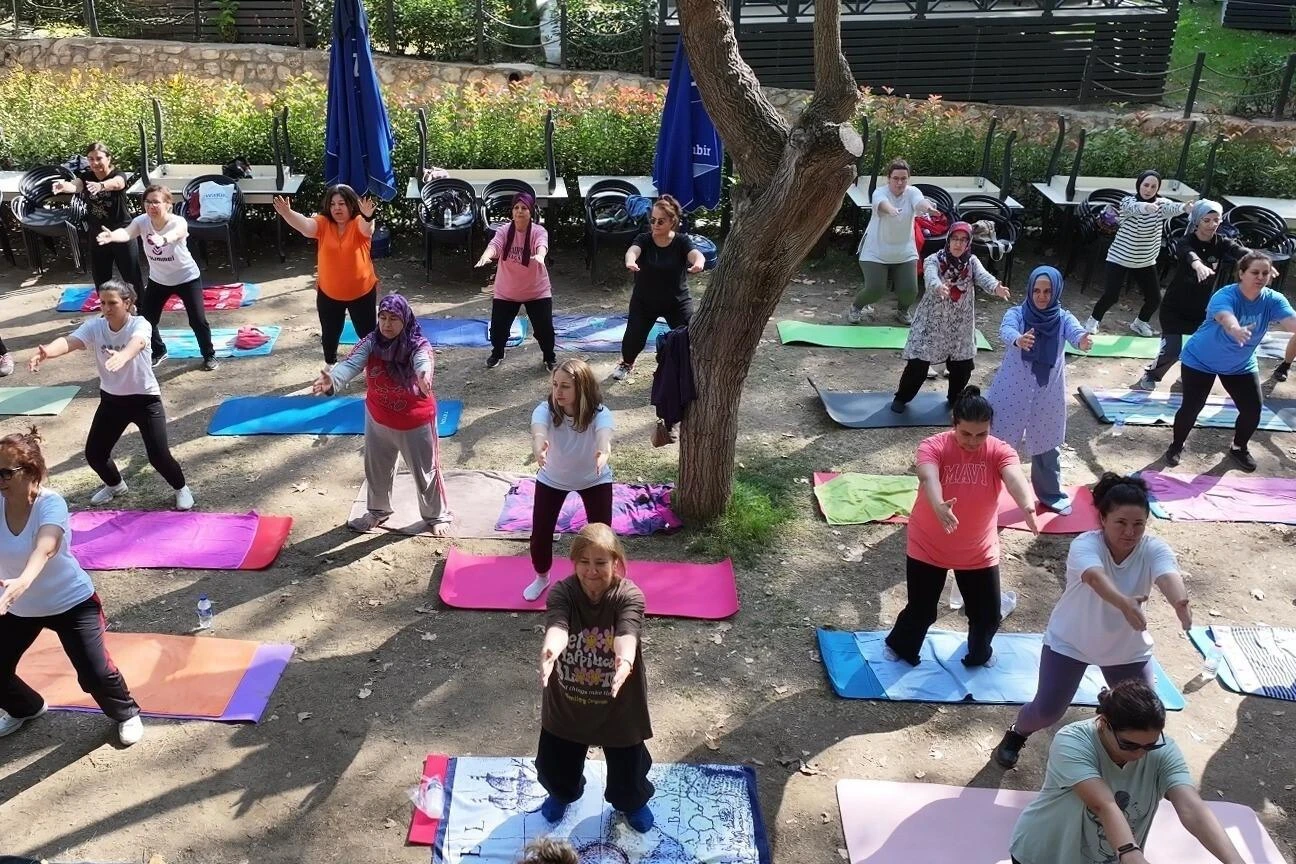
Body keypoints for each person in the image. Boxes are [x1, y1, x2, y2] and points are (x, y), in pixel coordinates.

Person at [993, 473, 1190, 769]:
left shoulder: (1153, 548)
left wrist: (1180, 602)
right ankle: (1017, 733)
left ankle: (1116, 752)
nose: (1130, 532)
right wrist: (1123, 602)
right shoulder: (1086, 545)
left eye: (1138, 524)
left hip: (1126, 649)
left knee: (1144, 715)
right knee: (1047, 711)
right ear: (1102, 519)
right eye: (1121, 523)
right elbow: (1095, 578)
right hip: (1071, 642)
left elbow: (1167, 575)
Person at [0, 427, 143, 746]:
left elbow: (46, 545)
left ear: (30, 471)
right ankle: (26, 707)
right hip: (17, 607)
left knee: (95, 674)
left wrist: (23, 580)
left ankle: (126, 713)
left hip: (71, 603)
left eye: (5, 473)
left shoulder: (51, 504)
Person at [1007, 680, 1247, 864]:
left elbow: (1191, 808)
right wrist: (1130, 852)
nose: (1140, 754)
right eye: (1129, 745)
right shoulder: (1072, 741)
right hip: (1044, 855)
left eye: (1150, 745)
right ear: (1103, 722)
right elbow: (1103, 804)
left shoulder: (1164, 752)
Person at [884, 386, 1039, 668]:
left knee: (988, 615)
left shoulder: (1000, 450)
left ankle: (979, 655)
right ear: (954, 424)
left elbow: (1014, 476)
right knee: (922, 611)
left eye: (981, 434)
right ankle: (900, 646)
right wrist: (938, 504)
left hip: (978, 550)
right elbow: (928, 476)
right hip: (928, 544)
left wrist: (1027, 504)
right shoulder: (933, 445)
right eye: (965, 433)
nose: (973, 441)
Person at [27, 279, 195, 511]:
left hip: (145, 400)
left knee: (158, 456)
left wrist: (123, 355)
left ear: (127, 303)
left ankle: (181, 489)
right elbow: (70, 341)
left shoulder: (140, 324)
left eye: (112, 303)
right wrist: (48, 352)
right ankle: (116, 486)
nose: (106, 309)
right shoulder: (96, 326)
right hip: (112, 401)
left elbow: (138, 342)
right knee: (95, 454)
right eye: (102, 303)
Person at [535, 523, 654, 833]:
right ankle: (562, 794)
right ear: (574, 562)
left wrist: (625, 659)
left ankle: (632, 803)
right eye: (584, 562)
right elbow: (558, 625)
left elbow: (627, 632)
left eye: (600, 563)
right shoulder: (563, 591)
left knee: (629, 770)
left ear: (615, 562)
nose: (591, 571)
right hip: (568, 703)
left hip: (618, 705)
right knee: (554, 766)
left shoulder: (629, 594)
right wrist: (551, 649)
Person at [313, 294, 451, 536]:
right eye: (383, 318)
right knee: (377, 470)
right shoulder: (370, 342)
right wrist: (332, 380)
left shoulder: (418, 344)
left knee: (426, 473)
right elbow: (351, 364)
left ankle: (436, 515)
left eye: (394, 319)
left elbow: (423, 361)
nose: (387, 325)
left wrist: (423, 375)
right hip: (378, 418)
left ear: (405, 320)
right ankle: (378, 511)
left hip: (415, 421)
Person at [1166, 251, 1296, 472]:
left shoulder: (1273, 299)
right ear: (1241, 273)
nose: (1260, 277)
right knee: (1192, 407)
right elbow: (1226, 317)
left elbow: (1292, 323)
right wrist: (1235, 329)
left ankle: (1238, 447)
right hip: (1200, 360)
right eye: (1255, 272)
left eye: (1265, 273)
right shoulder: (1225, 295)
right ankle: (1176, 445)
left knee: (1253, 409)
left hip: (1240, 364)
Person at [987, 266, 1093, 515]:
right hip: (1011, 391)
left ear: (1055, 291)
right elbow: (1005, 329)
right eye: (1036, 290)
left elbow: (1075, 331)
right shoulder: (1017, 314)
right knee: (997, 442)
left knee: (1047, 444)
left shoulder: (1063, 318)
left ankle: (1050, 495)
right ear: (1030, 290)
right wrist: (1018, 339)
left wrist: (1082, 340)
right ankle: (986, 491)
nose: (1042, 296)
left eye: (1047, 291)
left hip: (1047, 393)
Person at [890, 221, 1009, 413]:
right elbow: (930, 277)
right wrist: (938, 286)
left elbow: (984, 276)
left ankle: (955, 399)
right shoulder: (934, 260)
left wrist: (996, 287)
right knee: (918, 364)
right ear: (948, 239)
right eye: (955, 239)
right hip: (932, 322)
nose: (958, 244)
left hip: (960, 323)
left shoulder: (971, 262)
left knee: (962, 365)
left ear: (968, 242)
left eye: (963, 240)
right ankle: (902, 398)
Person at [97, 183, 217, 372]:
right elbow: (127, 232)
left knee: (198, 320)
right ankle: (159, 351)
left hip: (187, 278)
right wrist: (113, 236)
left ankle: (209, 354)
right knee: (146, 321)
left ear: (168, 204)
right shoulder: (142, 221)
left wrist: (163, 239)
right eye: (147, 202)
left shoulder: (178, 221)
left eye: (156, 202)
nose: (151, 206)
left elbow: (175, 234)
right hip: (159, 280)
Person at [523, 359, 614, 602]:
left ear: (581, 388)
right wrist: (538, 447)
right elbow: (538, 431)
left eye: (565, 386)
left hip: (594, 479)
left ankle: (602, 579)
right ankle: (542, 577)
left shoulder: (600, 413)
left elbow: (604, 437)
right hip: (552, 478)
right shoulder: (544, 410)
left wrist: (603, 453)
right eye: (555, 385)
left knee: (601, 535)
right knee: (541, 532)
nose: (557, 391)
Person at [1135, 200, 1249, 391]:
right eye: (1207, 220)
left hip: (1203, 309)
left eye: (1216, 220)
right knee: (1171, 351)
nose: (1213, 224)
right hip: (1175, 308)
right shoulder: (1185, 241)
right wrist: (1198, 265)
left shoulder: (1222, 242)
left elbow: (1239, 251)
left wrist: (1257, 260)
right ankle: (1152, 375)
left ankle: (1187, 376)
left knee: (1204, 349)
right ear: (1197, 221)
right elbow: (1189, 254)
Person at [273, 185, 379, 368]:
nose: (337, 208)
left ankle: (375, 366)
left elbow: (367, 228)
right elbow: (306, 226)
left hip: (361, 292)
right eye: (333, 204)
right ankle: (330, 364)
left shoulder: (359, 222)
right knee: (330, 333)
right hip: (329, 293)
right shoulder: (323, 223)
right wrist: (288, 214)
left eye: (342, 203)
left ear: (351, 205)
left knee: (368, 334)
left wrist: (369, 215)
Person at [1085, 170, 1191, 337]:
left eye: (1153, 186)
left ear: (1158, 188)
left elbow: (1173, 208)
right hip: (1119, 258)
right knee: (1111, 296)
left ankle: (1140, 323)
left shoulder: (1162, 204)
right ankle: (1093, 320)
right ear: (1139, 185)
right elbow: (1132, 208)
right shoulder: (1128, 201)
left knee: (1155, 298)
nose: (1148, 189)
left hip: (1145, 261)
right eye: (1146, 185)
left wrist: (1185, 207)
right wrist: (1146, 207)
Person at [615, 194, 705, 381]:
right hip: (644, 301)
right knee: (633, 337)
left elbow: (695, 253)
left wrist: (698, 262)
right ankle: (627, 363)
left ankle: (688, 369)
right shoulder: (644, 239)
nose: (655, 224)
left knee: (689, 336)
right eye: (653, 220)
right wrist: (630, 261)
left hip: (676, 301)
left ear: (672, 222)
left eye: (661, 221)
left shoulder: (681, 241)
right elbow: (633, 251)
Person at [848, 158, 937, 324]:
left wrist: (929, 208)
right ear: (889, 178)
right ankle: (856, 307)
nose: (900, 182)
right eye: (896, 178)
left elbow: (920, 202)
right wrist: (892, 210)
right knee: (875, 290)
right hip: (875, 251)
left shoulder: (913, 192)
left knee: (910, 291)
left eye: (903, 178)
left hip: (904, 251)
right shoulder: (879, 192)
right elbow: (881, 204)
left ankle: (902, 311)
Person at [475, 192, 556, 371]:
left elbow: (541, 243)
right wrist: (486, 256)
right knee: (497, 330)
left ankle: (549, 357)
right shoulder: (504, 230)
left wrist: (541, 256)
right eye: (516, 208)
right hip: (507, 291)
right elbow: (495, 245)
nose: (519, 212)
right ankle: (498, 352)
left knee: (545, 330)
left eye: (524, 208)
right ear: (512, 211)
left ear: (531, 212)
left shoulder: (538, 231)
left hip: (536, 291)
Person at [52, 142, 144, 296]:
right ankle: (106, 309)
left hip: (122, 232)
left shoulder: (118, 174)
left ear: (108, 158)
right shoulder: (87, 176)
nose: (94, 163)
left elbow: (118, 184)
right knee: (101, 278)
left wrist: (101, 186)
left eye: (99, 158)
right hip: (98, 234)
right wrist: (63, 186)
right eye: (90, 159)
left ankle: (141, 309)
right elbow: (76, 186)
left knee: (132, 277)